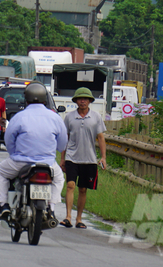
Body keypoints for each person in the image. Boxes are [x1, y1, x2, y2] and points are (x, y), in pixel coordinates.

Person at [0, 82, 67, 220]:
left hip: (21, 162)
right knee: (59, 179)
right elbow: (62, 144)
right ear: (45, 99)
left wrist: (14, 153)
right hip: (48, 164)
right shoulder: (55, 118)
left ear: (26, 98)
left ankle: (4, 206)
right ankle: (51, 209)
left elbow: (9, 140)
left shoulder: (20, 116)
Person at [59, 87, 107, 229]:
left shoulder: (96, 117)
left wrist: (103, 157)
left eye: (85, 99)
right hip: (72, 157)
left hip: (89, 159)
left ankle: (79, 218)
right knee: (70, 185)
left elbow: (101, 138)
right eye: (80, 99)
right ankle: (68, 216)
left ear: (90, 101)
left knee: (83, 189)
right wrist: (62, 158)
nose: (83, 101)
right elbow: (64, 138)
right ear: (76, 101)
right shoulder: (69, 117)